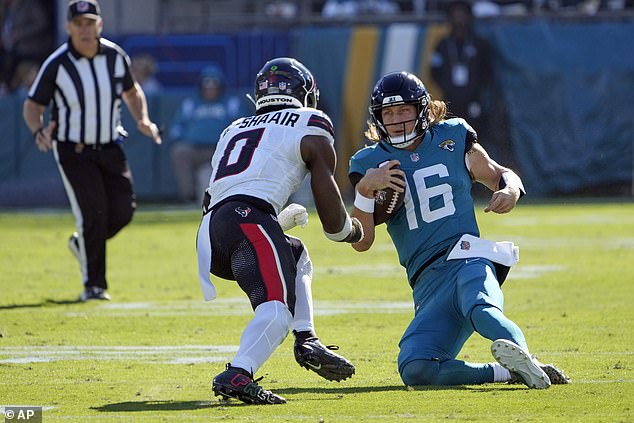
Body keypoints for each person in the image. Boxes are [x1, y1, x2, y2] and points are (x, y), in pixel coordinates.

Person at [348, 71, 569, 389]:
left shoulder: (452, 137)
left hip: (467, 255)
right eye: (389, 113)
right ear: (378, 117)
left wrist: (510, 191)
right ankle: (508, 371)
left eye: (404, 110)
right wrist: (365, 191)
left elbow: (500, 174)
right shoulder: (369, 162)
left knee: (480, 308)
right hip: (427, 281)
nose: (396, 120)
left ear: (422, 110)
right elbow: (361, 241)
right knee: (416, 369)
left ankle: (527, 360)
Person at [196, 57, 363, 405]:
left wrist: (272, 225)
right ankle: (239, 372)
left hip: (210, 231)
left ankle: (307, 339)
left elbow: (223, 193)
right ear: (306, 93)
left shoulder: (233, 128)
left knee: (297, 253)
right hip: (248, 218)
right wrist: (352, 231)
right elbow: (333, 225)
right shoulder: (311, 120)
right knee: (274, 311)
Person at [22, 0, 162, 302]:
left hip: (110, 144)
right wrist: (38, 131)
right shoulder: (58, 64)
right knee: (93, 212)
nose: (85, 30)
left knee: (124, 211)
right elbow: (33, 105)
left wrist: (142, 119)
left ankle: (82, 243)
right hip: (74, 149)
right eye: (79, 24)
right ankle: (94, 285)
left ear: (99, 25)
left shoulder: (114, 56)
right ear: (69, 27)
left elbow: (132, 90)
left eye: (90, 23)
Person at [169, 66, 244, 203]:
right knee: (179, 151)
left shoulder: (231, 103)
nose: (210, 90)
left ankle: (235, 195)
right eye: (207, 87)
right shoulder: (190, 103)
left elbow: (243, 127)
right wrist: (187, 137)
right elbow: (176, 127)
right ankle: (188, 196)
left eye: (214, 86)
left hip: (222, 149)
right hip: (195, 149)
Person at [431, 0, 491, 138]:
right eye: (455, 14)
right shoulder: (443, 44)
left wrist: (476, 90)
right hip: (450, 100)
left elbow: (487, 72)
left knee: (474, 135)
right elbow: (434, 71)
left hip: (474, 99)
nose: (459, 18)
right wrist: (447, 88)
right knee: (450, 136)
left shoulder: (479, 43)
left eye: (462, 14)